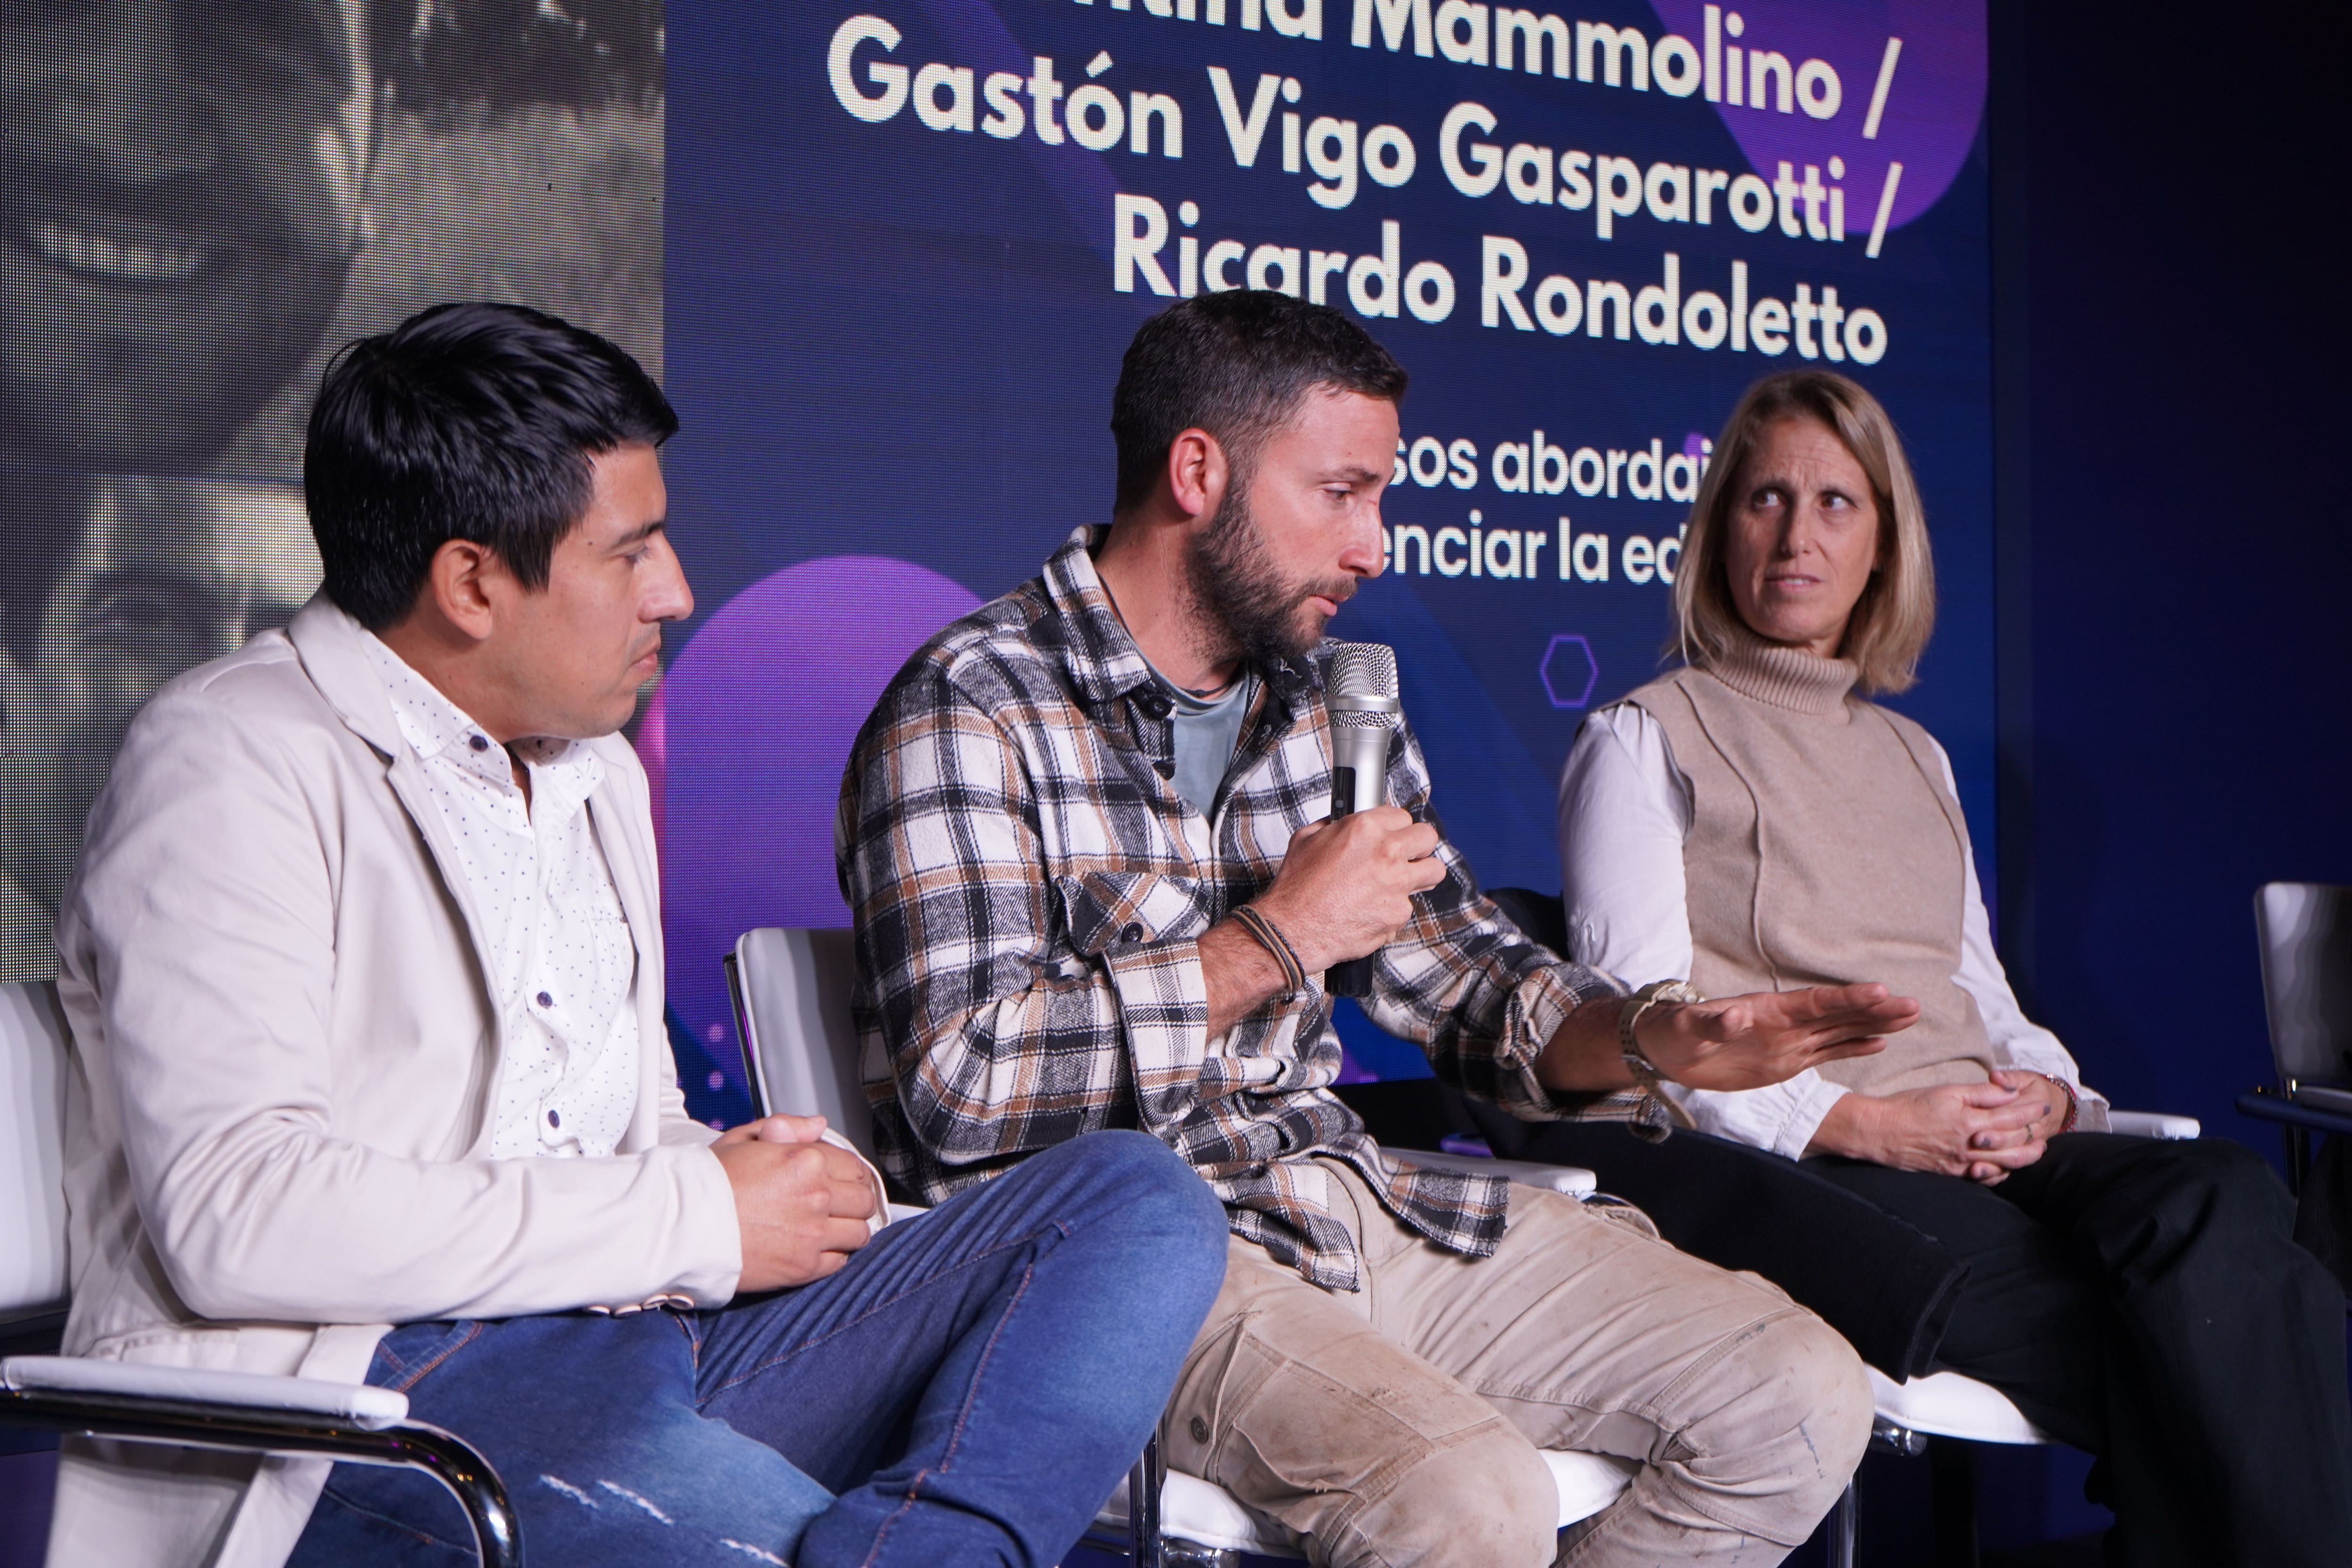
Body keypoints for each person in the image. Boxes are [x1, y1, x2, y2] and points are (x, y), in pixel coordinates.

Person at [48, 301, 1229, 1568]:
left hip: (633, 1332)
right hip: (368, 1395)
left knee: (1138, 1199)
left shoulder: (593, 766)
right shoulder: (231, 756)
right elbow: (240, 1218)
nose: (675, 590)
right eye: (632, 550)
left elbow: (617, 1125)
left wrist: (757, 1172)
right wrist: (693, 1207)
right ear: (472, 581)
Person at [836, 290, 1917, 1568]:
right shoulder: (974, 705)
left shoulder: (1328, 707)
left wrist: (1653, 1038)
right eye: (1341, 493)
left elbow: (1471, 985)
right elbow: (964, 1087)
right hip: (1118, 1265)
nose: (1376, 546)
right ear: (1199, 471)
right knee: (1470, 1496)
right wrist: (1275, 938)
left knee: (1798, 1390)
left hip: (1347, 1205)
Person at [1545, 366, 2352, 1566]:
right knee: (2219, 1332)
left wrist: (2051, 1094)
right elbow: (1650, 1043)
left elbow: (1979, 988)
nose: (1795, 531)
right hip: (1806, 1163)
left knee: (2226, 1198)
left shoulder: (1914, 754)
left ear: (1883, 545)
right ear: (1717, 528)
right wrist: (1863, 1121)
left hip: (1981, 1140)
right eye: (1763, 497)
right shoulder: (1642, 737)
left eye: (1834, 501)